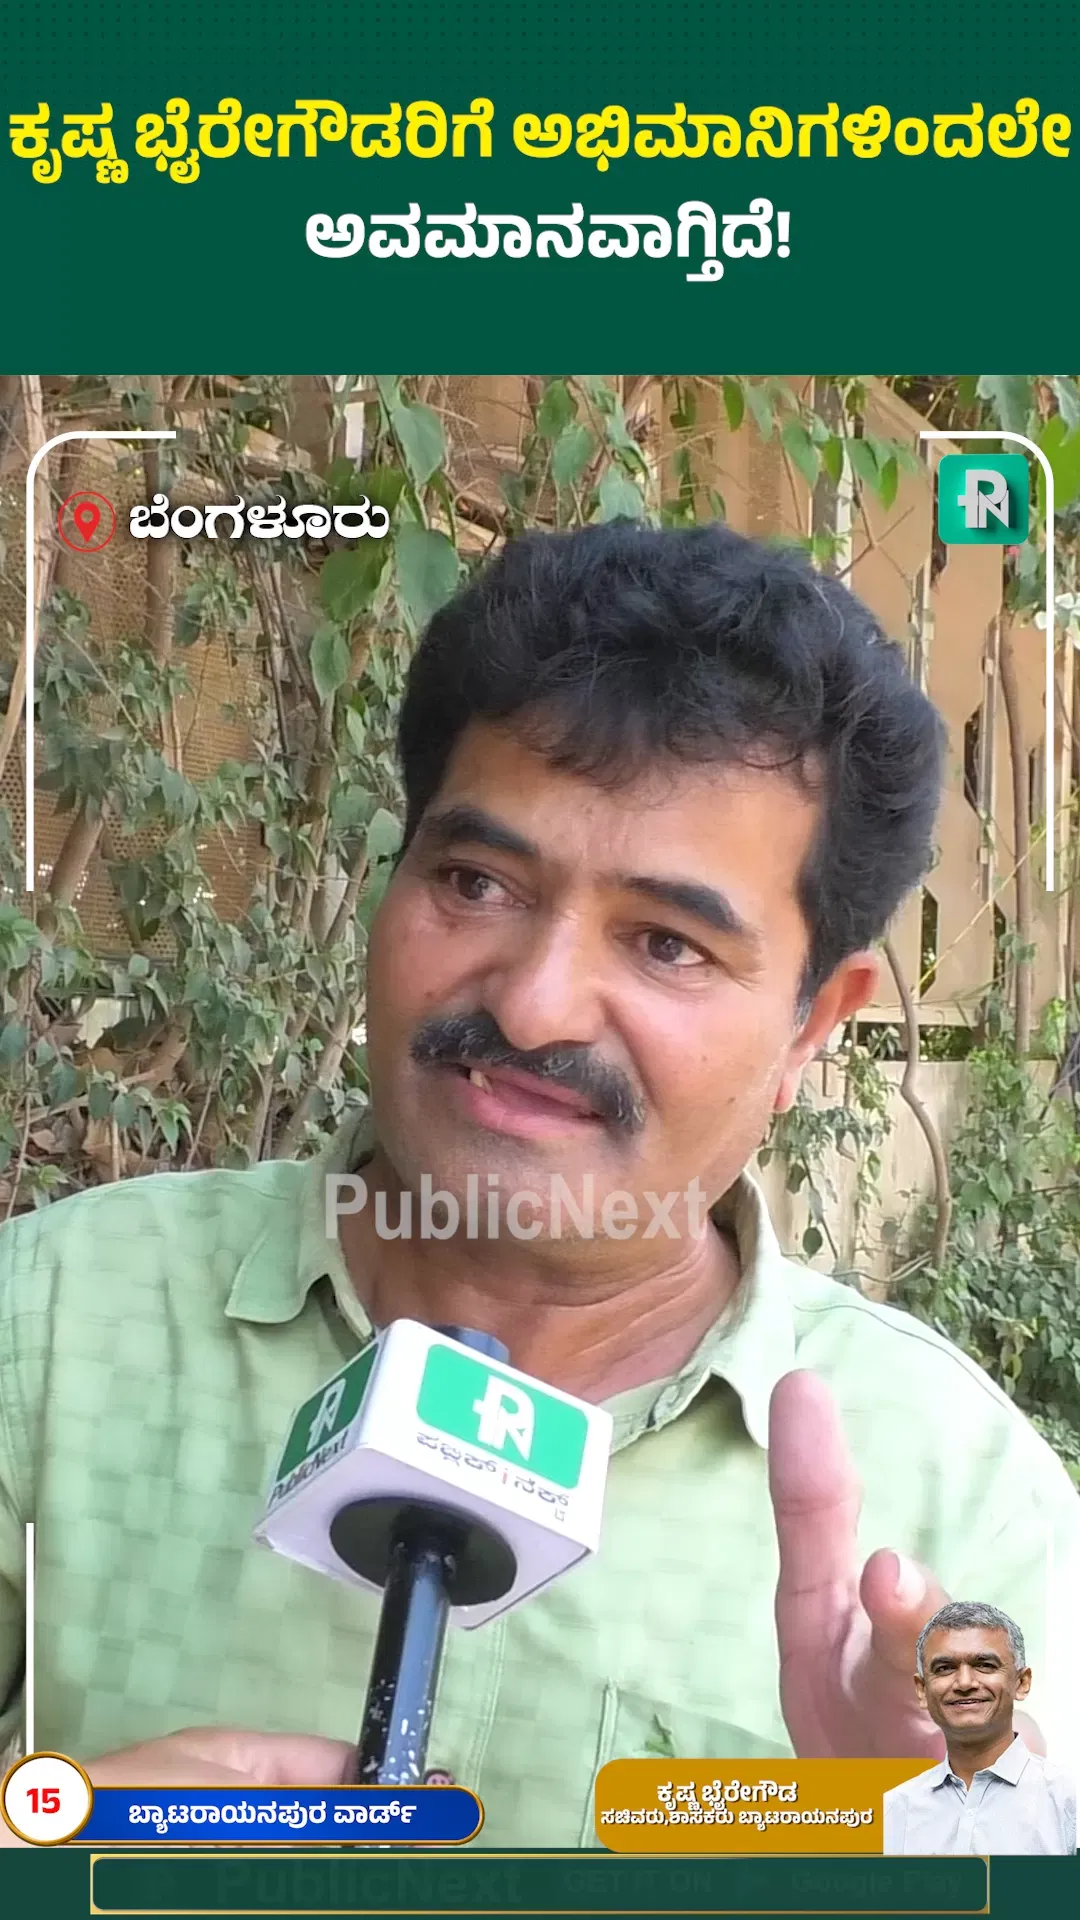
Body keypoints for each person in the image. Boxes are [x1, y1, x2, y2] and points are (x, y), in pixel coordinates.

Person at [2, 522, 1079, 1849]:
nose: (534, 1005)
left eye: (668, 945)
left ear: (814, 1022)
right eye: (476, 882)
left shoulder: (971, 1509)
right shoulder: (49, 1329)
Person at [882, 1602, 1076, 1855]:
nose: (964, 1683)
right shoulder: (893, 1811)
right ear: (922, 1690)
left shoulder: (1069, 1801)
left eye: (985, 1665)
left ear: (1022, 1682)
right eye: (945, 1668)